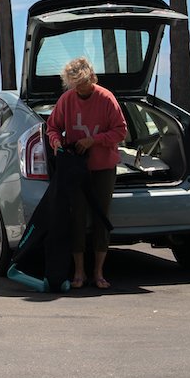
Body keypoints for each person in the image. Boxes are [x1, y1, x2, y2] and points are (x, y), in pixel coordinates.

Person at [47, 56, 126, 291]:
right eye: (74, 85)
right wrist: (55, 142)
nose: (79, 89)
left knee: (102, 217)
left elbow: (121, 131)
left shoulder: (106, 98)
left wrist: (95, 140)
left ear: (92, 78)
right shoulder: (66, 100)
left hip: (103, 167)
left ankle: (99, 272)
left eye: (82, 83)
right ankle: (79, 272)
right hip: (75, 168)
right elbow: (52, 126)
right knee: (77, 219)